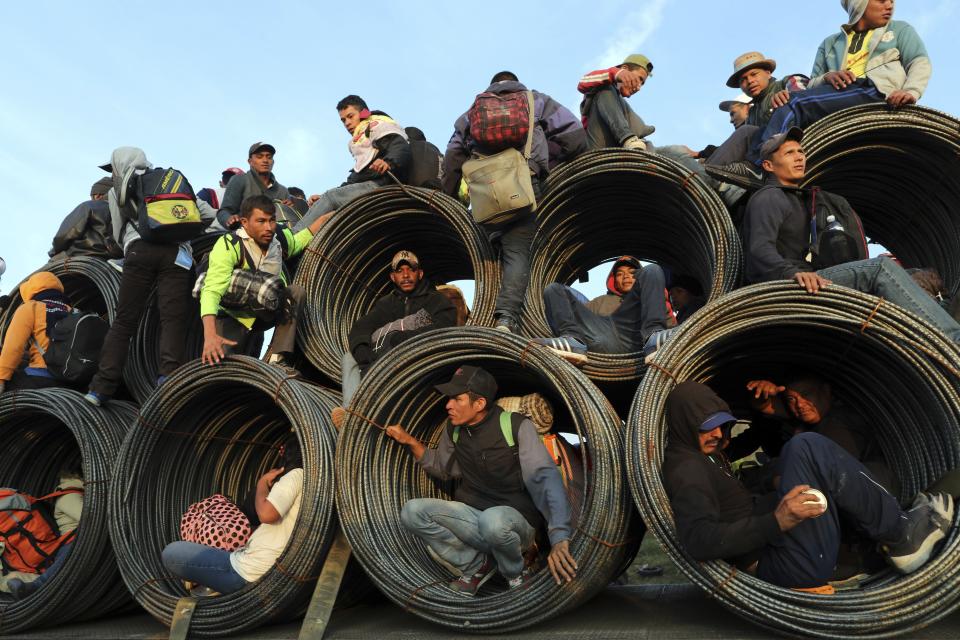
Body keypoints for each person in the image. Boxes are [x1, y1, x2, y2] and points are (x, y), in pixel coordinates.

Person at [663, 381, 954, 588]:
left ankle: (893, 531)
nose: (716, 433)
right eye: (706, 425)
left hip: (785, 549)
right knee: (806, 447)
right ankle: (900, 533)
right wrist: (777, 520)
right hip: (788, 563)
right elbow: (698, 540)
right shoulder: (687, 468)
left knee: (807, 448)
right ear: (684, 423)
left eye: (721, 424)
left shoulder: (702, 457)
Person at [742, 128, 960, 345]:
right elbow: (759, 250)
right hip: (789, 286)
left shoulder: (802, 199)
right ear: (769, 165)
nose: (799, 157)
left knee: (916, 276)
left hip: (811, 277)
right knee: (880, 269)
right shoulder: (769, 197)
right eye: (789, 153)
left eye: (801, 151)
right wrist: (792, 273)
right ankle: (953, 340)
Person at [385, 366, 577, 593]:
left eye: (457, 399)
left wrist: (559, 537)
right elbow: (442, 467)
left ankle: (516, 573)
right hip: (475, 519)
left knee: (493, 521)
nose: (448, 405)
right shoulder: (454, 430)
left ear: (479, 404)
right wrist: (409, 441)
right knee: (413, 511)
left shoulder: (515, 426)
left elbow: (546, 480)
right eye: (449, 399)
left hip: (516, 525)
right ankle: (477, 565)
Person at [442, 71, 584, 332]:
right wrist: (549, 163)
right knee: (518, 252)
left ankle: (489, 309)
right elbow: (575, 136)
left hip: (485, 193)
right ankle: (506, 319)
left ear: (492, 85)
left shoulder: (472, 111)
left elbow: (453, 154)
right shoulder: (535, 100)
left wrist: (449, 196)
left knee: (491, 252)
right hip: (524, 185)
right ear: (515, 82)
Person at [83, 147, 217, 407]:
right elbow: (209, 214)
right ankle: (167, 379)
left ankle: (100, 389)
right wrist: (182, 231)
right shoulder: (172, 181)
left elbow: (120, 231)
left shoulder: (116, 191)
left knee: (124, 322)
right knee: (172, 320)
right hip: (178, 254)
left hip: (139, 251)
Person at [161, 433, 303, 595]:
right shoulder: (312, 487)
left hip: (244, 572)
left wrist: (262, 483)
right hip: (255, 566)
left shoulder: (296, 476)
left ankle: (211, 583)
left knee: (171, 553)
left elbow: (266, 514)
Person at [198, 195, 329, 367]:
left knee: (295, 292)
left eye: (271, 221)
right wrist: (210, 336)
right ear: (245, 222)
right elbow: (212, 290)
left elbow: (299, 240)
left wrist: (327, 217)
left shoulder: (278, 241)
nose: (268, 227)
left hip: (265, 310)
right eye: (261, 221)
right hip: (234, 315)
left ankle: (278, 358)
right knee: (223, 368)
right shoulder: (229, 244)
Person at [332, 251, 457, 427]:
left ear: (419, 273)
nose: (405, 275)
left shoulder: (436, 300)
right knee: (349, 358)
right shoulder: (387, 303)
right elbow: (362, 326)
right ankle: (352, 414)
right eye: (400, 271)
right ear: (393, 276)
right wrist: (363, 351)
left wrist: (406, 339)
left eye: (410, 270)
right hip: (386, 356)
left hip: (420, 360)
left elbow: (445, 327)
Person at [295, 96, 411, 231]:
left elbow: (400, 146)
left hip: (383, 186)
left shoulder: (377, 126)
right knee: (328, 198)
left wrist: (387, 161)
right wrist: (322, 201)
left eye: (350, 116)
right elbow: (355, 180)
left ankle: (289, 239)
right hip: (369, 186)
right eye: (343, 120)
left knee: (331, 197)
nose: (347, 123)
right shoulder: (362, 140)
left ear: (364, 114)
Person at [533, 260, 675, 365]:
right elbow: (577, 318)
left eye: (632, 273)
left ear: (640, 278)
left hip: (634, 337)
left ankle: (653, 338)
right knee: (553, 289)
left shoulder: (653, 297)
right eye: (620, 274)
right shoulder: (600, 301)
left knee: (653, 269)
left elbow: (671, 326)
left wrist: (661, 300)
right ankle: (573, 342)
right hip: (599, 335)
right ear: (614, 280)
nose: (626, 276)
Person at [5, 460, 84, 600]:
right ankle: (35, 586)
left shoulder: (75, 492)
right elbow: (89, 518)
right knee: (72, 556)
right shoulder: (69, 495)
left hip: (76, 540)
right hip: (74, 540)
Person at [0, 272, 71, 393]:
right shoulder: (73, 311)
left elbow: (13, 347)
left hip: (39, 378)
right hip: (69, 382)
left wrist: (1, 378)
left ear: (31, 289)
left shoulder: (31, 307)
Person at [577, 54, 657, 150]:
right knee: (606, 88)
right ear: (624, 68)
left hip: (623, 146)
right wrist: (616, 73)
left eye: (642, 83)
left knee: (675, 151)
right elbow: (582, 83)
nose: (639, 87)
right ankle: (627, 137)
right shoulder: (602, 88)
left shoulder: (621, 106)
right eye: (639, 79)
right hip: (597, 146)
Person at [217, 143, 290, 229]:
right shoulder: (240, 180)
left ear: (273, 162)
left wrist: (289, 209)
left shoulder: (283, 191)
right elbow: (224, 212)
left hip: (276, 238)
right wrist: (229, 219)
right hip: (244, 236)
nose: (265, 160)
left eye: (269, 157)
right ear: (250, 161)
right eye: (260, 157)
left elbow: (289, 222)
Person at [48, 178, 122, 260]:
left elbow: (65, 235)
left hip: (80, 255)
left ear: (97, 195)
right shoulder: (125, 213)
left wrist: (54, 251)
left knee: (41, 272)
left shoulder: (89, 206)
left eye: (92, 196)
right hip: (114, 261)